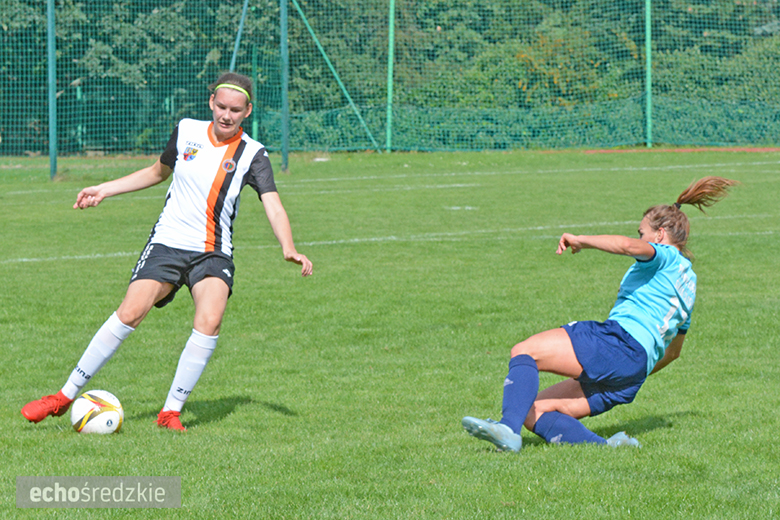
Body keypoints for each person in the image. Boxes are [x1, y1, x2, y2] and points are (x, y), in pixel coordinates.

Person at [21, 72, 313, 431]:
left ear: (247, 111)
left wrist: (289, 248)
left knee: (210, 320)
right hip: (168, 243)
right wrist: (105, 190)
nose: (226, 115)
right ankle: (62, 397)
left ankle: (170, 412)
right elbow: (157, 172)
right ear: (211, 103)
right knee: (130, 313)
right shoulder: (187, 130)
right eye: (221, 106)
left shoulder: (253, 154)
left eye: (235, 110)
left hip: (212, 252)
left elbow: (274, 204)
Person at [462, 176, 738, 451]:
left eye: (642, 232)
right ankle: (609, 447)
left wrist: (580, 239)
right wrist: (629, 370)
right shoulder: (688, 285)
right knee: (532, 410)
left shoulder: (665, 254)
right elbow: (673, 352)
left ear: (661, 234)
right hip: (635, 371)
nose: (640, 238)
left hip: (620, 343)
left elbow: (628, 246)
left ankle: (507, 430)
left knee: (525, 350)